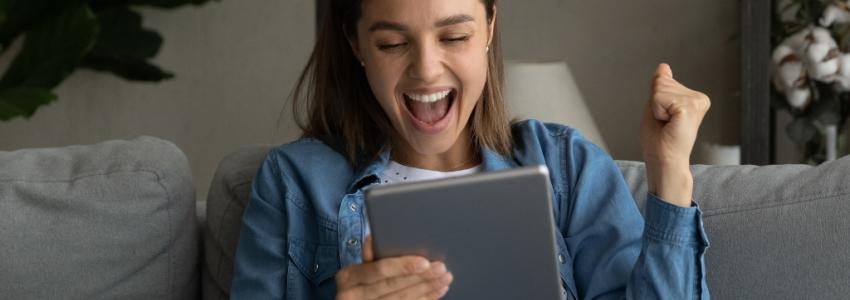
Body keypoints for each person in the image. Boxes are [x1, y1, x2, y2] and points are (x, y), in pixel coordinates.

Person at [230, 0, 712, 299]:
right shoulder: (293, 183)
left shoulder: (569, 167)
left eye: (454, 36)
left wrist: (670, 174)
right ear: (356, 44)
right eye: (393, 43)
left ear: (489, 28)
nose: (426, 69)